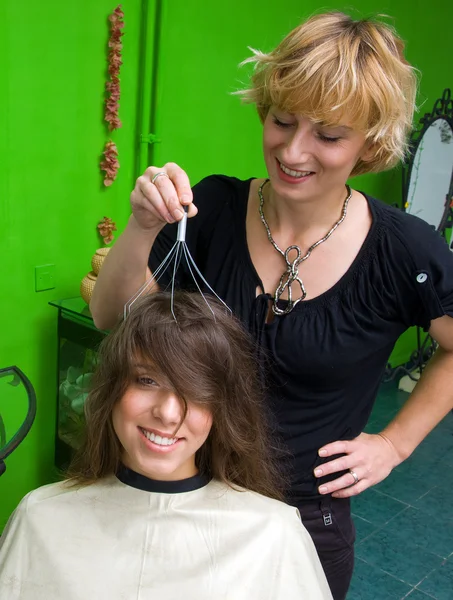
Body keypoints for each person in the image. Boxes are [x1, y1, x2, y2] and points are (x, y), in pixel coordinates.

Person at [89, 11, 453, 600]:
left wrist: (395, 442)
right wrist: (140, 226)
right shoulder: (209, 210)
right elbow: (112, 316)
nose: (293, 150)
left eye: (329, 135)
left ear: (370, 142)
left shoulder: (403, 251)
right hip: (185, 493)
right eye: (282, 120)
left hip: (308, 520)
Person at [0, 292, 332, 600]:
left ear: (222, 408)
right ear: (112, 390)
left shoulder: (273, 533)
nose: (168, 413)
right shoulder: (41, 517)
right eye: (147, 380)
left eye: (196, 390)